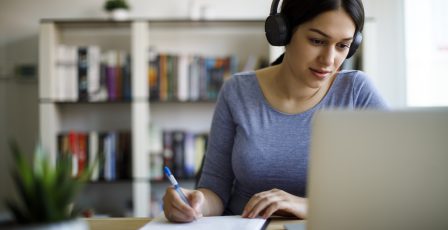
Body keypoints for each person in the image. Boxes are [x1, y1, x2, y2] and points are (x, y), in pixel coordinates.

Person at [162, 0, 387, 223]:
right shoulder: (237, 92)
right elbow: (215, 191)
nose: (329, 60)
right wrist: (195, 202)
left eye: (342, 46)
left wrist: (308, 205)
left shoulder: (357, 92)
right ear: (283, 32)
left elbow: (393, 187)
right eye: (317, 41)